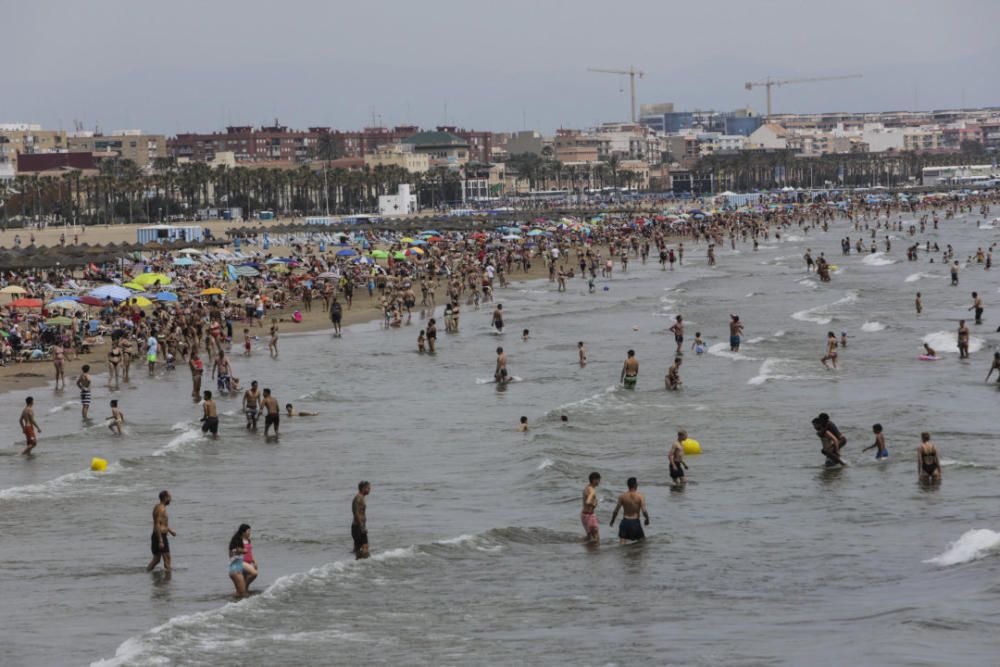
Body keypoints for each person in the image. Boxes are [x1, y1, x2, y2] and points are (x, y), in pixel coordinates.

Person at [609, 477, 649, 544]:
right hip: (635, 522)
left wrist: (612, 521)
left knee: (622, 542)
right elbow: (644, 510)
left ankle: (620, 554)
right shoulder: (640, 496)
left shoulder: (622, 496)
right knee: (642, 543)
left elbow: (616, 511)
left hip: (625, 522)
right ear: (635, 485)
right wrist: (647, 519)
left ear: (628, 485)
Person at [147, 490, 175, 572]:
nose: (171, 499)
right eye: (169, 497)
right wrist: (160, 540)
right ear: (165, 498)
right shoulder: (161, 509)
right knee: (167, 559)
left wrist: (170, 530)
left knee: (156, 560)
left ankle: (147, 573)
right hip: (160, 536)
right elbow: (157, 524)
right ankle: (168, 581)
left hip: (157, 535)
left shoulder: (158, 507)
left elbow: (161, 523)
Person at [228, 524, 248, 598]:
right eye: (248, 531)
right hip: (235, 570)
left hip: (235, 569)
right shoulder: (236, 542)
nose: (249, 533)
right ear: (243, 532)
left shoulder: (238, 540)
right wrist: (244, 550)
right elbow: (237, 551)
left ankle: (233, 604)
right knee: (243, 593)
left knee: (240, 593)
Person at [352, 481, 371, 559]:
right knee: (362, 548)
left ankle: (360, 564)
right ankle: (359, 564)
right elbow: (355, 512)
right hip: (357, 526)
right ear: (363, 488)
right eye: (368, 488)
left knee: (362, 548)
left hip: (360, 526)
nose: (369, 490)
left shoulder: (361, 498)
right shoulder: (358, 498)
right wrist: (362, 526)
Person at [581, 472, 601, 544]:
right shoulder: (592, 490)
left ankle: (587, 551)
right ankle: (596, 554)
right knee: (596, 538)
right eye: (598, 480)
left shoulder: (587, 487)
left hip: (584, 515)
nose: (599, 481)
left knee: (589, 537)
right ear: (593, 480)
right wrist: (594, 503)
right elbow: (588, 501)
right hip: (589, 516)